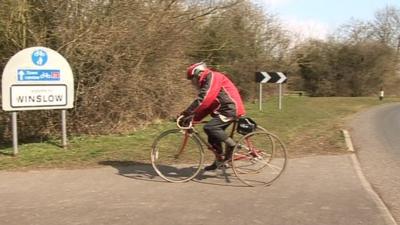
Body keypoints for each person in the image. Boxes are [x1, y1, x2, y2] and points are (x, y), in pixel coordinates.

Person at [179, 62, 246, 171]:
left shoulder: (213, 76)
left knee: (210, 127)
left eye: (193, 79)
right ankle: (220, 160)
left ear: (198, 73)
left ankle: (232, 146)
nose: (193, 82)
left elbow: (204, 99)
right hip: (225, 109)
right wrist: (193, 118)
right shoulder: (207, 81)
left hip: (231, 109)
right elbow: (209, 105)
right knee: (212, 135)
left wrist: (187, 112)